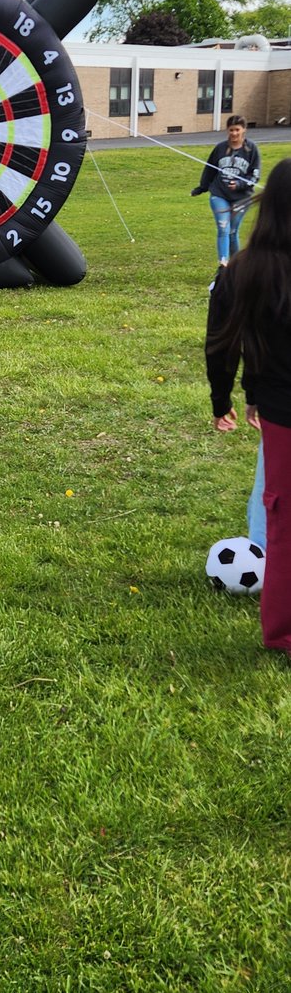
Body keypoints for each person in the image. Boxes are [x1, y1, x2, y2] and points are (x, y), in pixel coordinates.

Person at [205, 157, 291, 656]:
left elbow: (223, 345)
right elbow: (231, 342)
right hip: (280, 409)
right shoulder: (247, 272)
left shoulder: (244, 270)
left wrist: (230, 400)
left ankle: (282, 632)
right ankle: (281, 633)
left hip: (281, 411)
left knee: (283, 521)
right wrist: (246, 395)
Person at [192, 115, 261, 264]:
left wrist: (240, 185)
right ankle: (223, 264)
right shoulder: (220, 148)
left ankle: (236, 266)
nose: (234, 133)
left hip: (242, 197)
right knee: (223, 228)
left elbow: (255, 175)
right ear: (227, 130)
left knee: (232, 231)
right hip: (219, 194)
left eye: (237, 130)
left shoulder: (251, 149)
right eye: (231, 130)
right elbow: (209, 169)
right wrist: (202, 187)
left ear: (243, 130)